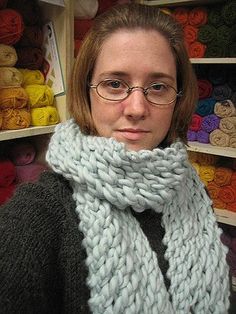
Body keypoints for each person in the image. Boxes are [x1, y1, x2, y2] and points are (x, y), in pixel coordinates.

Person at [0, 3, 230, 313]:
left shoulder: (191, 188)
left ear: (178, 97)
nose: (136, 108)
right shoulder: (35, 216)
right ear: (86, 91)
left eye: (158, 86)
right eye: (115, 84)